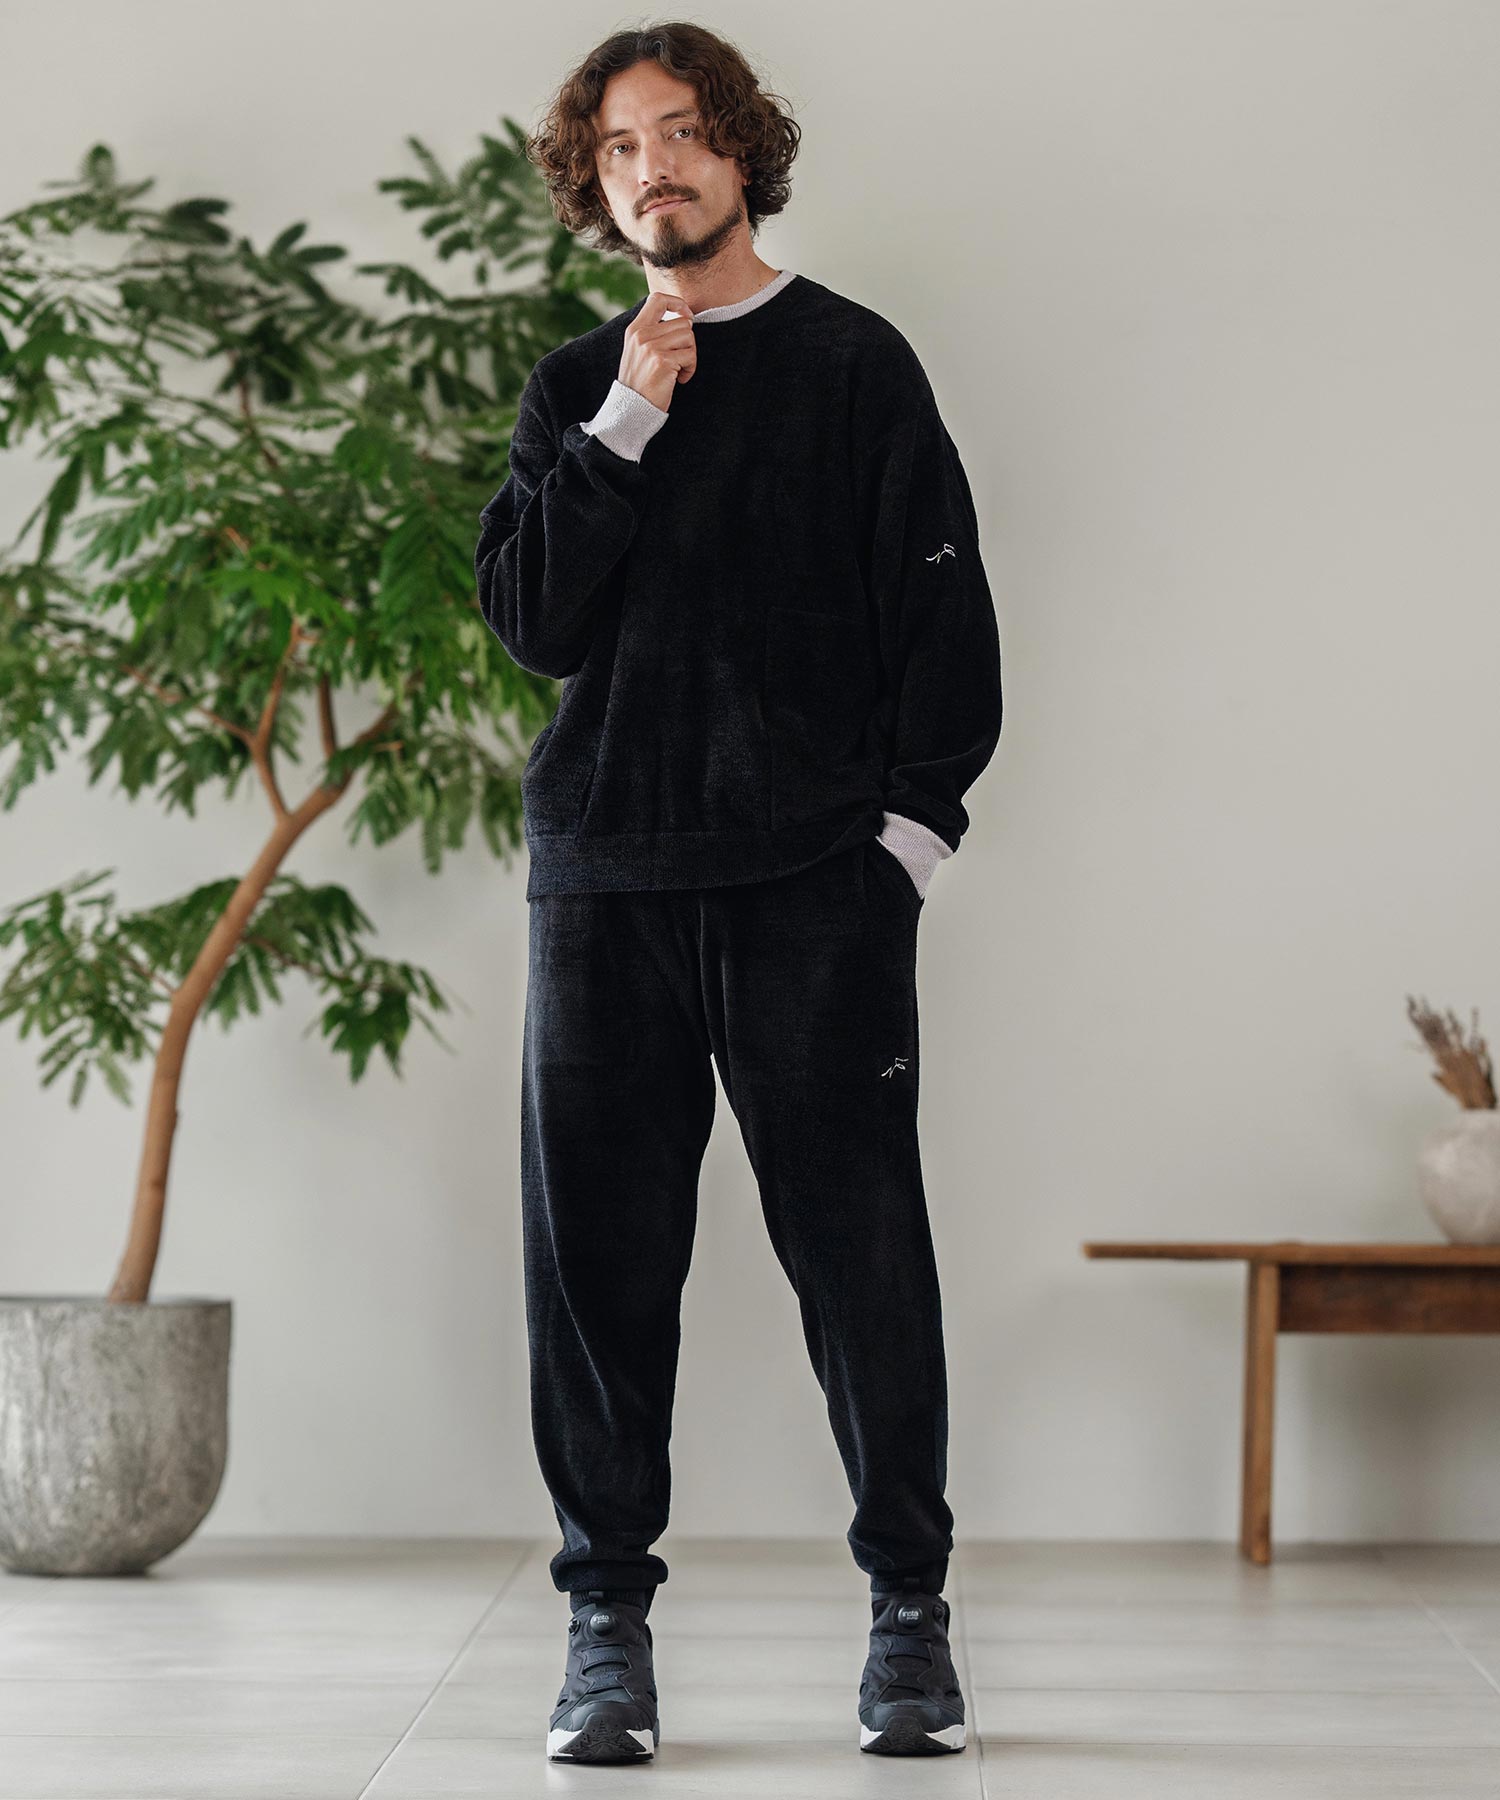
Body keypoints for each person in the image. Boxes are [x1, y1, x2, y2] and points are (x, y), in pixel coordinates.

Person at [474, 19, 1003, 1765]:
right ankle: (604, 1634)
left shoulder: (855, 364)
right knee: (597, 1275)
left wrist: (905, 846)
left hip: (811, 891)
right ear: (594, 180)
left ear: (744, 153)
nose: (656, 170)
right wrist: (630, 417)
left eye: (686, 134)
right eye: (622, 147)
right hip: (603, 883)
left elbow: (944, 620)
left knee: (861, 1259)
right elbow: (534, 623)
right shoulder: (576, 388)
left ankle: (910, 1620)